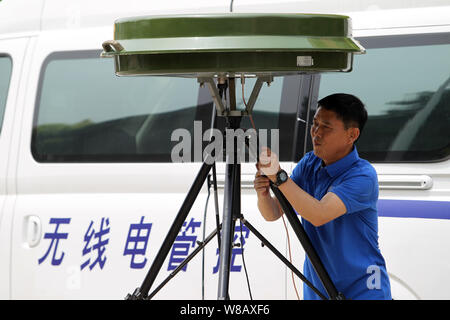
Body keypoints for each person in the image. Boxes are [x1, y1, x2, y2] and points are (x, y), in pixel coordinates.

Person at [254, 93, 392, 300]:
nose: (316, 133)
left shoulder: (362, 175)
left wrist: (280, 178)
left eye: (326, 127)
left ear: (351, 135)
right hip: (318, 289)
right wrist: (263, 193)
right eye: (314, 124)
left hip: (363, 290)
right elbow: (273, 213)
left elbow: (319, 214)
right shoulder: (309, 163)